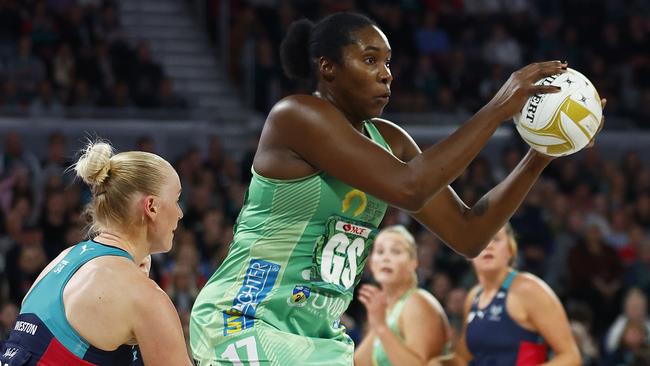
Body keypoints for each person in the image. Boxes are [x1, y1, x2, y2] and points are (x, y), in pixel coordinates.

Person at [190, 12, 603, 366]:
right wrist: (498, 106)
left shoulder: (392, 140)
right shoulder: (297, 115)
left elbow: (469, 233)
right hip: (244, 317)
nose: (386, 73)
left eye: (387, 62)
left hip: (316, 336)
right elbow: (409, 188)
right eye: (370, 60)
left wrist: (543, 149)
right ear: (327, 68)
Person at [0, 141, 192, 365]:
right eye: (177, 200)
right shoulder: (142, 296)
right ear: (151, 207)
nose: (180, 213)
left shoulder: (64, 259)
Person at [453, 224, 581, 365]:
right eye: (481, 240)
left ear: (510, 250)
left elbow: (571, 357)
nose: (488, 245)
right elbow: (462, 358)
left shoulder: (529, 290)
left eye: (496, 239)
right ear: (468, 253)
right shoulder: (473, 297)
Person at [354, 225, 452, 366]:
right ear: (371, 263)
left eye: (396, 251)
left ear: (413, 262)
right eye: (380, 252)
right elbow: (359, 363)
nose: (386, 258)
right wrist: (377, 325)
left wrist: (381, 327)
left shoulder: (417, 302)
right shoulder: (383, 310)